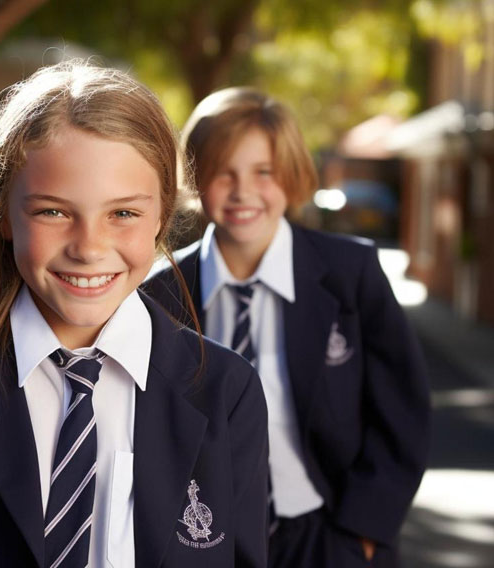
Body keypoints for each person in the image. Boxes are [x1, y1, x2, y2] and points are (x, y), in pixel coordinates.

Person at [0, 60, 269, 568]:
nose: (89, 248)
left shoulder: (227, 391)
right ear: (4, 213)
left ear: (162, 214)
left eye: (123, 213)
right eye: (53, 211)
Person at [145, 87, 430, 567]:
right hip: (206, 543)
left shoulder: (350, 273)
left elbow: (403, 413)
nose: (243, 192)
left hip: (326, 536)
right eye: (222, 172)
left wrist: (360, 533)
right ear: (195, 177)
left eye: (264, 172)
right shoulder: (160, 294)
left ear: (293, 175)